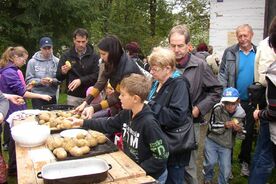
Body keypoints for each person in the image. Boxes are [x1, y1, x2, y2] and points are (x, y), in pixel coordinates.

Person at [69, 74, 169, 183]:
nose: (119, 97)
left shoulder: (149, 124)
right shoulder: (126, 113)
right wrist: (83, 122)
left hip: (151, 176)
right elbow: (108, 124)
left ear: (135, 98)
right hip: (133, 169)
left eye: (122, 95)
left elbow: (161, 156)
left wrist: (139, 168)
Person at [168, 24, 222, 184]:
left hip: (190, 124)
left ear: (189, 46)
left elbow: (217, 90)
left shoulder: (200, 65)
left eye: (180, 46)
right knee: (169, 165)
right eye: (173, 45)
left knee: (188, 167)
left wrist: (199, 108)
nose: (176, 49)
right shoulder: (166, 64)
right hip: (167, 123)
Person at [0, 46, 52, 176]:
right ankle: (13, 168)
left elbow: (16, 89)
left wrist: (27, 87)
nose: (24, 62)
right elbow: (22, 93)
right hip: (12, 109)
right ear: (15, 57)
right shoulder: (10, 72)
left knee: (15, 139)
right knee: (15, 140)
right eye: (23, 59)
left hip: (13, 107)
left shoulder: (9, 69)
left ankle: (13, 167)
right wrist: (41, 96)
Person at [147, 47, 192, 184]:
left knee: (174, 179)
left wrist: (150, 105)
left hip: (175, 146)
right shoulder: (157, 83)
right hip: (162, 143)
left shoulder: (179, 84)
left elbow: (177, 116)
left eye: (155, 69)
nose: (151, 71)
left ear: (167, 68)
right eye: (151, 68)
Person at [218, 24, 257, 176]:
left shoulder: (258, 52)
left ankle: (244, 162)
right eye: (239, 36)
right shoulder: (230, 52)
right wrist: (225, 95)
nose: (242, 39)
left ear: (251, 35)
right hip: (232, 102)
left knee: (247, 134)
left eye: (245, 35)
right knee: (230, 133)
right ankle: (227, 166)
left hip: (251, 102)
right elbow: (221, 73)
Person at [75, 35, 142, 119]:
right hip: (119, 104)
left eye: (103, 54)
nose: (101, 57)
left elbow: (116, 97)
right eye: (100, 53)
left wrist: (94, 108)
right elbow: (101, 82)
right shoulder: (111, 60)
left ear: (113, 52)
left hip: (131, 108)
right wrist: (85, 102)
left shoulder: (127, 71)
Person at [249, 17, 276, 184]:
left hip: (268, 106)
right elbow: (264, 77)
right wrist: (261, 112)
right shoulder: (266, 46)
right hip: (269, 105)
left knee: (263, 152)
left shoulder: (264, 44)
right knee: (265, 155)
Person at [203, 87, 245, 184]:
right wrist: (225, 125)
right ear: (223, 102)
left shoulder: (241, 114)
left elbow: (243, 134)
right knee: (210, 162)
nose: (230, 106)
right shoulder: (217, 108)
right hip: (212, 140)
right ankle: (208, 177)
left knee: (226, 169)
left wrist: (239, 130)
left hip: (226, 144)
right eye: (226, 103)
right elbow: (211, 126)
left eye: (233, 103)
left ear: (238, 101)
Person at [56, 28, 99, 106]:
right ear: (74, 40)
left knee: (89, 118)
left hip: (90, 95)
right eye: (78, 41)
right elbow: (58, 77)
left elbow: (97, 75)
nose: (81, 44)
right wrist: (63, 72)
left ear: (87, 40)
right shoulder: (66, 55)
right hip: (73, 96)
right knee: (72, 117)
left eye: (83, 42)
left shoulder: (94, 56)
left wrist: (81, 80)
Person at [25, 36, 59, 109]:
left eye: (49, 48)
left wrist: (52, 80)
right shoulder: (32, 62)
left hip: (52, 96)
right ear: (40, 48)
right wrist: (40, 82)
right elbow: (28, 80)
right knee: (39, 118)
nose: (47, 51)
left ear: (52, 48)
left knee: (52, 118)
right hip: (37, 96)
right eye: (44, 48)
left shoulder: (57, 61)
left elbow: (60, 79)